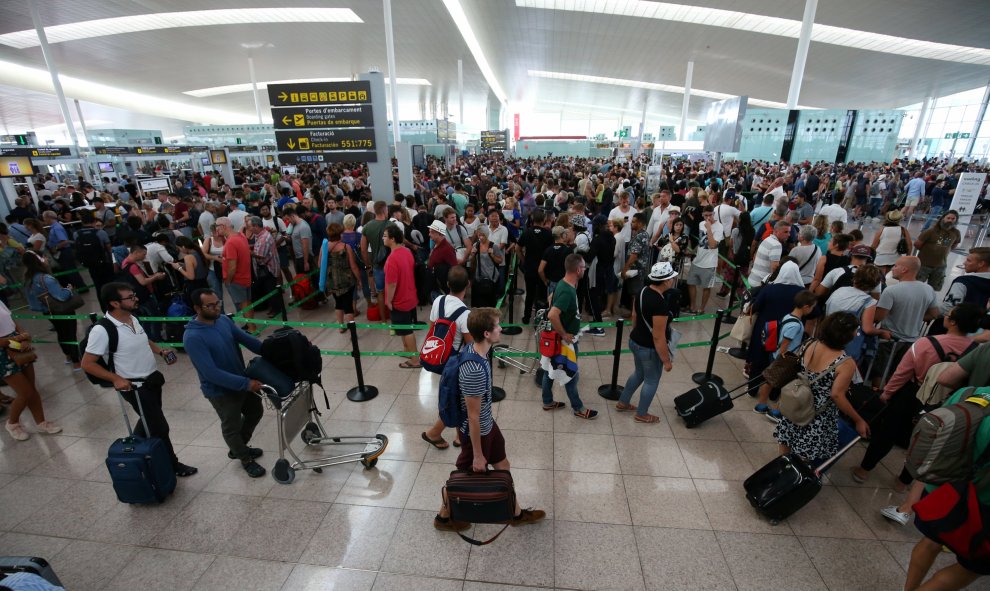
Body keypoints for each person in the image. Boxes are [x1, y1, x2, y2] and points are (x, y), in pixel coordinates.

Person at [434, 307, 546, 532]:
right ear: (486, 333)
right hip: (478, 432)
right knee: (463, 475)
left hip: (488, 425)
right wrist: (477, 454)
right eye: (497, 326)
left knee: (503, 465)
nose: (501, 328)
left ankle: (515, 513)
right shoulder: (474, 368)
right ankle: (443, 518)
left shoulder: (479, 351)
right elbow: (472, 416)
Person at [856, 303, 983, 494]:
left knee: (887, 433)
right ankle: (903, 481)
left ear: (954, 322)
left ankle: (864, 470)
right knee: (924, 441)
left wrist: (887, 393)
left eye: (948, 315)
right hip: (948, 403)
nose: (945, 317)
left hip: (912, 394)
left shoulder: (926, 343)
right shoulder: (977, 350)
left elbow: (902, 373)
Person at [81, 282, 197, 477]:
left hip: (152, 379)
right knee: (160, 427)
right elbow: (87, 363)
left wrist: (161, 351)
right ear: (114, 303)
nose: (135, 299)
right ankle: (173, 465)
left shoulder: (131, 318)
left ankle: (133, 446)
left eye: (133, 295)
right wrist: (116, 379)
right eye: (130, 297)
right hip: (134, 386)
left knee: (150, 419)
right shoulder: (102, 330)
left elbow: (143, 339)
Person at [182, 289, 266, 478]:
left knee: (255, 412)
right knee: (231, 426)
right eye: (209, 305)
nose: (216, 308)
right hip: (220, 391)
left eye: (217, 303)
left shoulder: (223, 320)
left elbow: (247, 340)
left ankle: (238, 448)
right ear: (197, 308)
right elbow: (211, 373)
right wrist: (246, 383)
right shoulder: (193, 337)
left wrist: (271, 350)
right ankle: (245, 458)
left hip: (241, 379)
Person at [774, 311, 870, 461]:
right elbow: (837, 395)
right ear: (847, 336)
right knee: (804, 456)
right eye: (855, 331)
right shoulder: (845, 363)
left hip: (796, 402)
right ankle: (795, 478)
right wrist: (858, 420)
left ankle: (781, 466)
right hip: (817, 415)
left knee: (786, 440)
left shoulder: (810, 343)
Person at [614, 262, 677, 423]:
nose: (673, 280)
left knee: (639, 373)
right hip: (648, 349)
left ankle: (623, 402)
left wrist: (637, 334)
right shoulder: (660, 303)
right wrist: (666, 361)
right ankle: (642, 414)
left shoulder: (642, 291)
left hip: (635, 341)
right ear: (666, 281)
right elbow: (658, 336)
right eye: (671, 277)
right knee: (652, 379)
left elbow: (635, 316)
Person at [420, 266, 473, 450]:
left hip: (439, 356)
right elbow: (470, 345)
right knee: (455, 399)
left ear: (448, 284)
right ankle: (433, 433)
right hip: (454, 363)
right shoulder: (465, 314)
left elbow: (433, 327)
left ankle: (459, 436)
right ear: (468, 284)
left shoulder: (439, 301)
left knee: (456, 396)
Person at [541, 254, 598, 419]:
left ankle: (547, 401)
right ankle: (578, 408)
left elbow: (551, 298)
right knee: (571, 374)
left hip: (555, 339)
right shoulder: (567, 290)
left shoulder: (563, 283)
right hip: (564, 342)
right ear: (578, 269)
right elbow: (552, 314)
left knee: (548, 370)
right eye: (584, 268)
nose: (585, 270)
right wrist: (564, 334)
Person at [0, 299, 60, 442]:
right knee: (25, 392)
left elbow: (12, 322)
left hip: (18, 345)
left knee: (32, 389)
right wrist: (17, 339)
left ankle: (41, 422)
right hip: (3, 354)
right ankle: (12, 423)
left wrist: (23, 336)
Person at [754, 289, 818, 421]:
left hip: (776, 355)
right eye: (812, 307)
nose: (812, 310)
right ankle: (776, 411)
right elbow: (785, 345)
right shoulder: (796, 325)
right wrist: (785, 360)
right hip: (784, 359)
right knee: (787, 386)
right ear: (806, 307)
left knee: (769, 380)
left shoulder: (788, 316)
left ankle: (761, 404)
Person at [872, 256, 938, 382]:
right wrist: (916, 316)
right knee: (897, 372)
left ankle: (875, 394)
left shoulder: (891, 291)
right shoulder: (928, 289)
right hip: (912, 341)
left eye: (896, 266)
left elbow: (878, 317)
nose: (893, 268)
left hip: (889, 339)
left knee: (878, 372)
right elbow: (934, 314)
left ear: (904, 269)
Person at [23, 251, 81, 370]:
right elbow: (61, 296)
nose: (47, 259)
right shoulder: (46, 278)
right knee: (70, 334)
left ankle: (68, 357)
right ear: (39, 260)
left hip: (48, 310)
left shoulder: (29, 279)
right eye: (44, 257)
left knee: (61, 333)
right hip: (62, 310)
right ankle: (77, 362)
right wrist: (69, 289)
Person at [383, 224, 421, 369]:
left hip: (400, 299)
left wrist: (388, 300)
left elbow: (391, 284)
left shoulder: (392, 259)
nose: (383, 238)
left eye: (385, 236)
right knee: (404, 326)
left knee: (406, 330)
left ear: (392, 239)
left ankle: (415, 359)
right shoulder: (406, 251)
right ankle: (407, 350)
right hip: (410, 295)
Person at [215, 217, 254, 328]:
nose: (216, 230)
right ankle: (252, 325)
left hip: (236, 279)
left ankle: (252, 328)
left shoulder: (230, 242)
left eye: (217, 227)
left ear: (223, 226)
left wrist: (228, 280)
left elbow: (232, 266)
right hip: (245, 275)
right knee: (247, 303)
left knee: (243, 304)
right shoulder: (240, 236)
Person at [685, 206, 724, 315]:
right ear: (702, 215)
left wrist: (709, 229)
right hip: (698, 260)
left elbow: (712, 245)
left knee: (706, 287)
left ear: (713, 214)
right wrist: (693, 251)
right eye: (705, 215)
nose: (708, 217)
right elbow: (702, 241)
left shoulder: (719, 227)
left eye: (710, 215)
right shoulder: (701, 224)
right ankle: (693, 306)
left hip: (710, 263)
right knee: (691, 283)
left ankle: (701, 308)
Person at [517, 209, 554, 323]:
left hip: (530, 268)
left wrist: (524, 260)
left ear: (532, 220)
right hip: (544, 270)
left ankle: (526, 317)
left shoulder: (527, 232)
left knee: (530, 294)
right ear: (544, 220)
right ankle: (541, 318)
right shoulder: (548, 234)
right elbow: (551, 251)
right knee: (542, 295)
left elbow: (517, 249)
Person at [324, 222, 362, 331]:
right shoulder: (346, 247)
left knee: (338, 303)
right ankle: (352, 330)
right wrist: (359, 279)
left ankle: (341, 327)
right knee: (348, 306)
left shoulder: (325, 247)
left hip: (332, 280)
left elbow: (320, 265)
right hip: (347, 280)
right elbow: (353, 266)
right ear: (340, 234)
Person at [914, 210, 961, 292]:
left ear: (956, 220)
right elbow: (917, 244)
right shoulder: (930, 231)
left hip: (940, 266)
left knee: (934, 289)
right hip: (924, 264)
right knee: (917, 287)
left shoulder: (956, 233)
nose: (950, 220)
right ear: (943, 218)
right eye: (948, 218)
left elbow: (954, 245)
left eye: (953, 219)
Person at [360, 201, 389, 321]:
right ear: (383, 211)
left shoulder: (367, 227)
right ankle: (395, 317)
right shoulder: (390, 225)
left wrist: (368, 266)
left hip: (377, 266)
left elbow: (363, 249)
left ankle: (383, 320)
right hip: (391, 264)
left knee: (380, 293)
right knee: (394, 291)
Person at [939, 247, 990, 315]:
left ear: (981, 264)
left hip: (952, 323)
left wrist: (930, 314)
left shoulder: (963, 282)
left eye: (969, 260)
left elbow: (948, 309)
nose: (964, 263)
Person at [41, 210, 85, 288]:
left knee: (70, 271)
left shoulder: (56, 228)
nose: (44, 220)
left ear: (49, 218)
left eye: (44, 218)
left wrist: (56, 247)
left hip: (64, 252)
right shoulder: (54, 227)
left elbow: (64, 241)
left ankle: (81, 287)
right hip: (62, 252)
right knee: (69, 271)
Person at [749, 220, 790, 288]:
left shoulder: (767, 239)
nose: (789, 234)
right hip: (760, 283)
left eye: (789, 232)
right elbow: (774, 268)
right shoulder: (776, 245)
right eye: (786, 232)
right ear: (776, 231)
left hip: (753, 279)